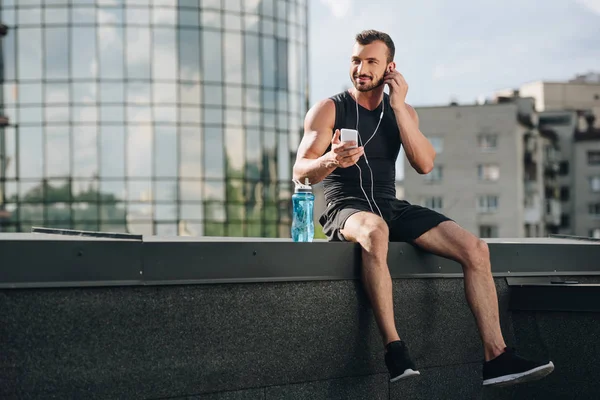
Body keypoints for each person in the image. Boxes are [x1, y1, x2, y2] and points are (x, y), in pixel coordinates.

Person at [292, 29, 555, 387]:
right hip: (345, 207)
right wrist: (331, 160)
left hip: (389, 204)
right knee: (375, 231)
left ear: (389, 68)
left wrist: (398, 107)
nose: (361, 68)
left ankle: (497, 357)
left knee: (476, 249)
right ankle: (395, 351)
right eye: (356, 60)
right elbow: (300, 171)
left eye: (371, 61)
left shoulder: (402, 111)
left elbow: (425, 164)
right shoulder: (329, 108)